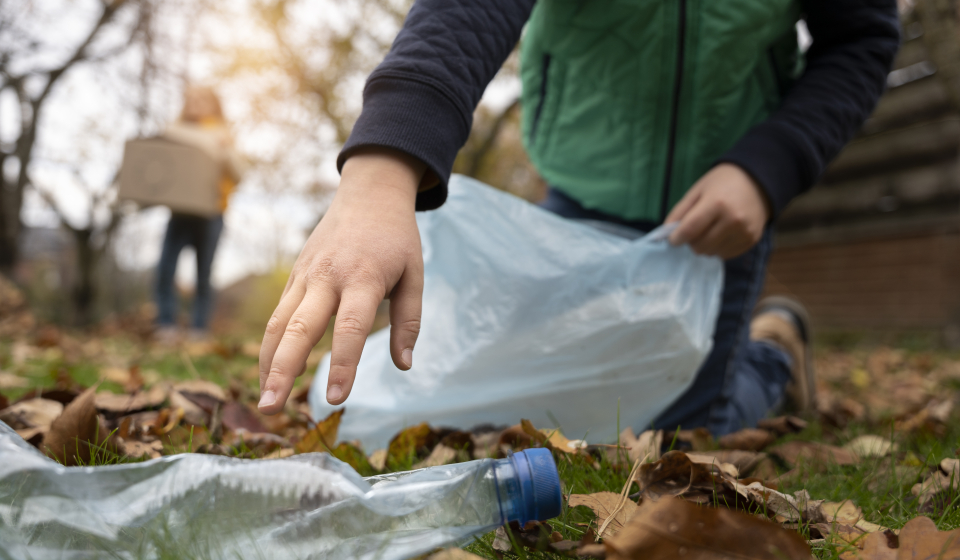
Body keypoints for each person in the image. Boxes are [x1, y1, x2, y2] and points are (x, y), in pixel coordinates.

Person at [256, 0, 900, 437]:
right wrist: (382, 168)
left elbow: (860, 38)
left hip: (724, 203)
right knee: (557, 404)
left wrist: (768, 168)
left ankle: (772, 356)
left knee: (677, 437)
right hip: (580, 186)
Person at [154, 86, 242, 343]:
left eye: (201, 99)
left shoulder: (223, 135)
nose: (195, 103)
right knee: (164, 270)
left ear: (214, 105)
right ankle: (166, 325)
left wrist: (224, 149)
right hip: (179, 213)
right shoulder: (173, 131)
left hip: (211, 214)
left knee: (203, 274)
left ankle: (198, 330)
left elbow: (239, 175)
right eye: (190, 98)